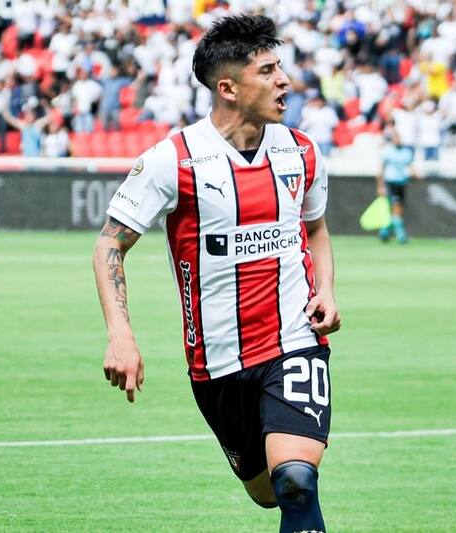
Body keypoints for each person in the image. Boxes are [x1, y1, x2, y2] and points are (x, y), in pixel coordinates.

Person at [92, 15, 340, 533]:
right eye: (268, 71)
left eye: (281, 68)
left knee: (297, 480)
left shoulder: (301, 151)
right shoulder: (172, 161)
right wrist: (121, 335)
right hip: (217, 362)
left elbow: (314, 229)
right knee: (268, 492)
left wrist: (327, 291)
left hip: (294, 340)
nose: (284, 81)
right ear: (227, 87)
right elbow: (110, 246)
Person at [377, 128, 415, 244]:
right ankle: (401, 235)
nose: (397, 140)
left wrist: (415, 173)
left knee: (397, 209)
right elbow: (380, 170)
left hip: (401, 183)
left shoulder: (406, 152)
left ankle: (384, 232)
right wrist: (380, 186)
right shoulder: (387, 152)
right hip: (391, 183)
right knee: (396, 208)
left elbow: (410, 166)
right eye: (395, 138)